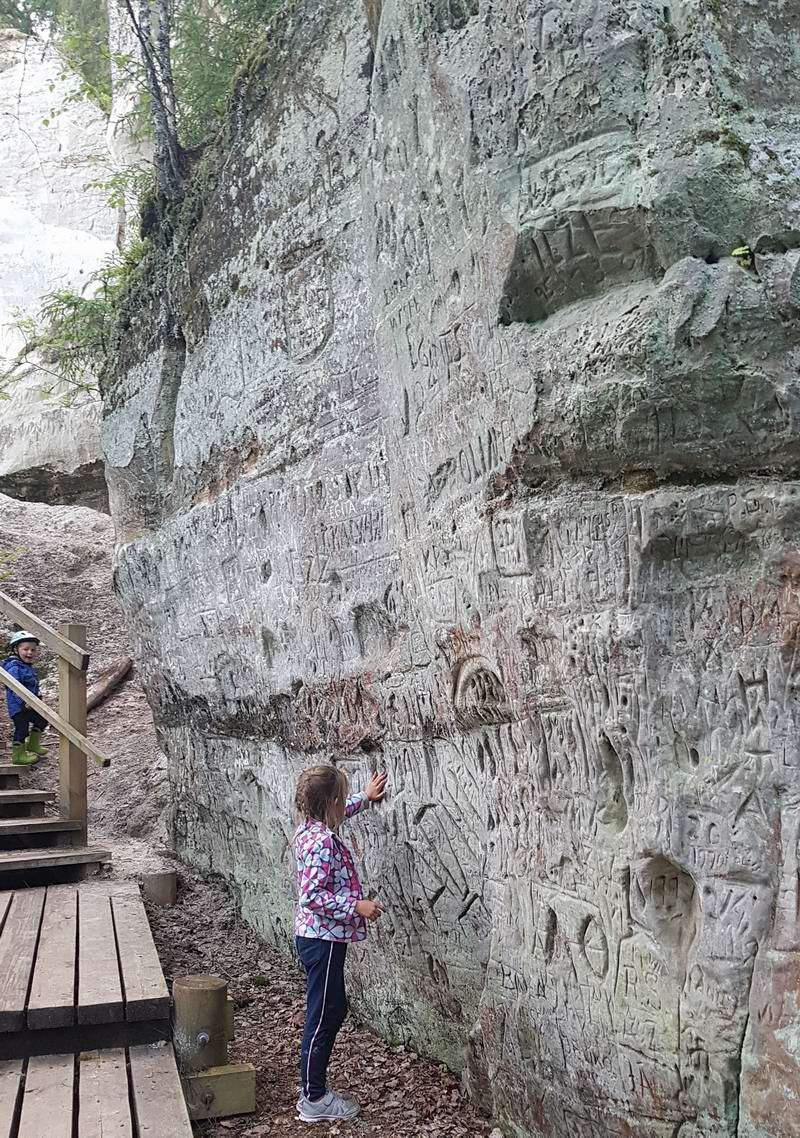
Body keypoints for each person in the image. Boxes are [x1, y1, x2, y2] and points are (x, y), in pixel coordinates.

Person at [294, 762, 388, 1124]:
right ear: (331, 801)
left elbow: (337, 818)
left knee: (330, 1008)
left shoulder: (311, 830)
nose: (345, 803)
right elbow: (312, 896)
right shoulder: (320, 843)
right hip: (323, 939)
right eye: (344, 798)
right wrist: (357, 907)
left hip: (319, 937)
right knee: (325, 1013)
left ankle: (312, 1090)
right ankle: (314, 1098)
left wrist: (364, 798)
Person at [3, 631, 48, 766]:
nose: (30, 652)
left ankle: (32, 745)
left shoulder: (27, 667)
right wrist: (23, 702)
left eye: (33, 650)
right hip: (19, 707)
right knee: (21, 729)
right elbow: (14, 686)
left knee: (42, 721)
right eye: (25, 649)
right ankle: (18, 755)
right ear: (16, 650)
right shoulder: (14, 667)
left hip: (31, 704)